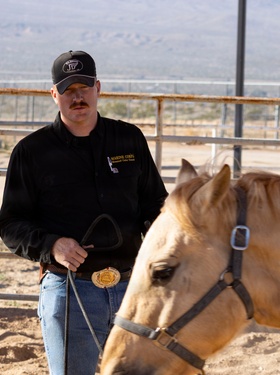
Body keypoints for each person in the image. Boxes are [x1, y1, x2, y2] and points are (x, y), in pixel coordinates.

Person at [0, 50, 168, 374]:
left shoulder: (129, 140)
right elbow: (9, 224)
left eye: (84, 87)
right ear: (54, 95)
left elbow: (155, 206)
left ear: (98, 88)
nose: (78, 97)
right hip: (69, 291)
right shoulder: (31, 153)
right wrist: (52, 245)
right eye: (68, 90)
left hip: (132, 289)